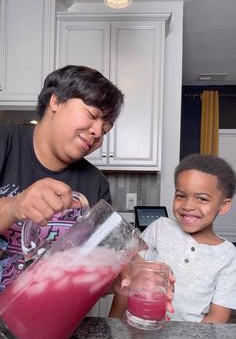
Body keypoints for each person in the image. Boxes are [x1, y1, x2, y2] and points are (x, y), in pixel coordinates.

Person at [0, 64, 124, 289]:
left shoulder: (96, 184)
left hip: (51, 318)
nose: (97, 132)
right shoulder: (3, 143)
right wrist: (11, 207)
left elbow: (98, 272)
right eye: (92, 115)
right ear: (55, 101)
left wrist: (127, 273)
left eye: (105, 129)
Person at [109, 153, 236, 323]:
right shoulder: (160, 228)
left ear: (224, 205)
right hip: (136, 332)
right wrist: (112, 326)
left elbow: (217, 317)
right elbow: (128, 280)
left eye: (202, 198)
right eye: (181, 195)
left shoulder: (228, 255)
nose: (188, 205)